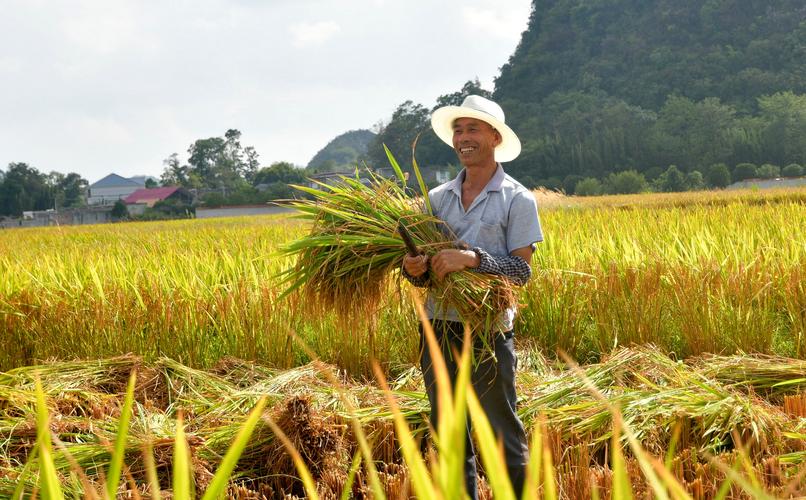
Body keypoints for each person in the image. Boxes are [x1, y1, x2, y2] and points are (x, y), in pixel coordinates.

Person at [402, 95, 543, 499]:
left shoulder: (518, 199)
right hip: (438, 326)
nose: (463, 138)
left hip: (489, 332)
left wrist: (472, 259)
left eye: (473, 129)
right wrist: (415, 269)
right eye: (458, 131)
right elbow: (423, 274)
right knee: (448, 429)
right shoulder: (436, 199)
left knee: (501, 429)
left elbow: (521, 271)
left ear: (495, 138)